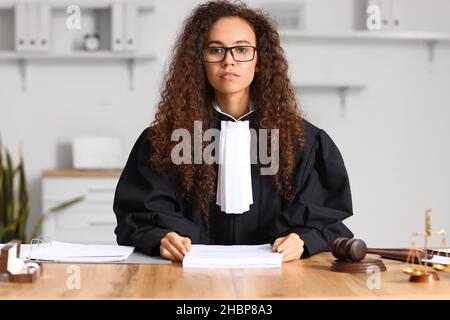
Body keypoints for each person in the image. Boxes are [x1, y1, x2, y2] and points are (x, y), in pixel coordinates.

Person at [113, 0, 353, 263]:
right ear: (199, 62)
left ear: (259, 61)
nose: (229, 61)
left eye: (241, 50)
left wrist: (302, 238)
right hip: (187, 277)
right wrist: (162, 236)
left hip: (278, 280)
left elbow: (325, 218)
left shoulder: (304, 141)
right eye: (216, 50)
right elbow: (138, 215)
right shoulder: (164, 141)